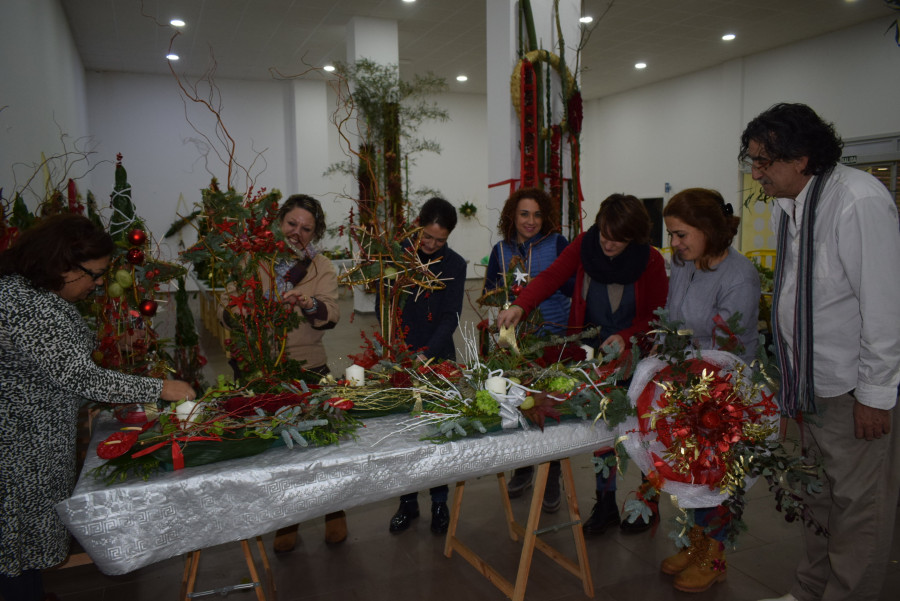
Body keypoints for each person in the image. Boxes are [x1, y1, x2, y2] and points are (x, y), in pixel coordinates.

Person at [740, 103, 900, 601]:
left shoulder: (857, 200)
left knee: (859, 510)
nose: (756, 172)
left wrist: (874, 395)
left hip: (853, 391)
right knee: (815, 496)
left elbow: (885, 306)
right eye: (752, 160)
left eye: (764, 161)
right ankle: (809, 590)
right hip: (809, 386)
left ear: (802, 157)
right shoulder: (795, 206)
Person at [0, 214, 196, 601]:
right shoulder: (30, 305)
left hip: (29, 439)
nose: (100, 283)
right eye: (94, 274)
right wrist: (162, 388)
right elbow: (81, 378)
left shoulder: (27, 293)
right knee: (14, 544)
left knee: (19, 546)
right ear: (63, 266)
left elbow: (54, 359)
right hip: (18, 448)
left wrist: (113, 349)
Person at [497, 193, 668, 520]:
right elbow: (550, 277)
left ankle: (648, 505)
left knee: (645, 431)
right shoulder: (585, 245)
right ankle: (604, 504)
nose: (607, 243)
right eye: (604, 234)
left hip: (639, 357)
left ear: (633, 237)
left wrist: (628, 337)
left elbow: (657, 316)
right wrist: (521, 305)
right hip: (595, 356)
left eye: (617, 239)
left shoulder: (651, 261)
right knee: (603, 426)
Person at [655, 187, 760, 593]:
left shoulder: (740, 276)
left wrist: (693, 382)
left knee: (716, 477)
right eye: (672, 235)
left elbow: (728, 348)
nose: (675, 244)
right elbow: (672, 319)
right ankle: (697, 544)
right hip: (686, 382)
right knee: (690, 473)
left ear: (707, 229)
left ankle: (714, 557)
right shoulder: (686, 264)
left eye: (681, 234)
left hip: (723, 389)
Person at [226, 194, 345, 551]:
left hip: (308, 366)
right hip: (260, 366)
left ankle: (335, 511)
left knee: (323, 449)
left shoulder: (321, 266)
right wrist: (239, 313)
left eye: (306, 228)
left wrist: (309, 303)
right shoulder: (252, 260)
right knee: (276, 453)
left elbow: (332, 314)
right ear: (279, 223)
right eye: (292, 224)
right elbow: (225, 307)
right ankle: (286, 520)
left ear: (315, 233)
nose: (297, 233)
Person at [482, 187, 572, 501]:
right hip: (516, 345)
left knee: (551, 409)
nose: (530, 221)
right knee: (518, 406)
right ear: (512, 215)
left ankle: (551, 477)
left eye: (536, 214)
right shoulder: (501, 250)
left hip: (554, 339)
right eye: (524, 214)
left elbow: (573, 287)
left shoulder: (557, 243)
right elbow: (491, 294)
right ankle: (523, 469)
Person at [385, 197, 466, 535]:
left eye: (439, 240)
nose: (431, 245)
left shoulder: (455, 264)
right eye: (427, 237)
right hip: (401, 355)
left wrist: (427, 354)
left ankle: (439, 502)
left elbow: (451, 316)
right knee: (406, 434)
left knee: (437, 433)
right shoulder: (398, 255)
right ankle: (407, 502)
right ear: (418, 225)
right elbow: (385, 304)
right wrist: (397, 350)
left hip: (438, 356)